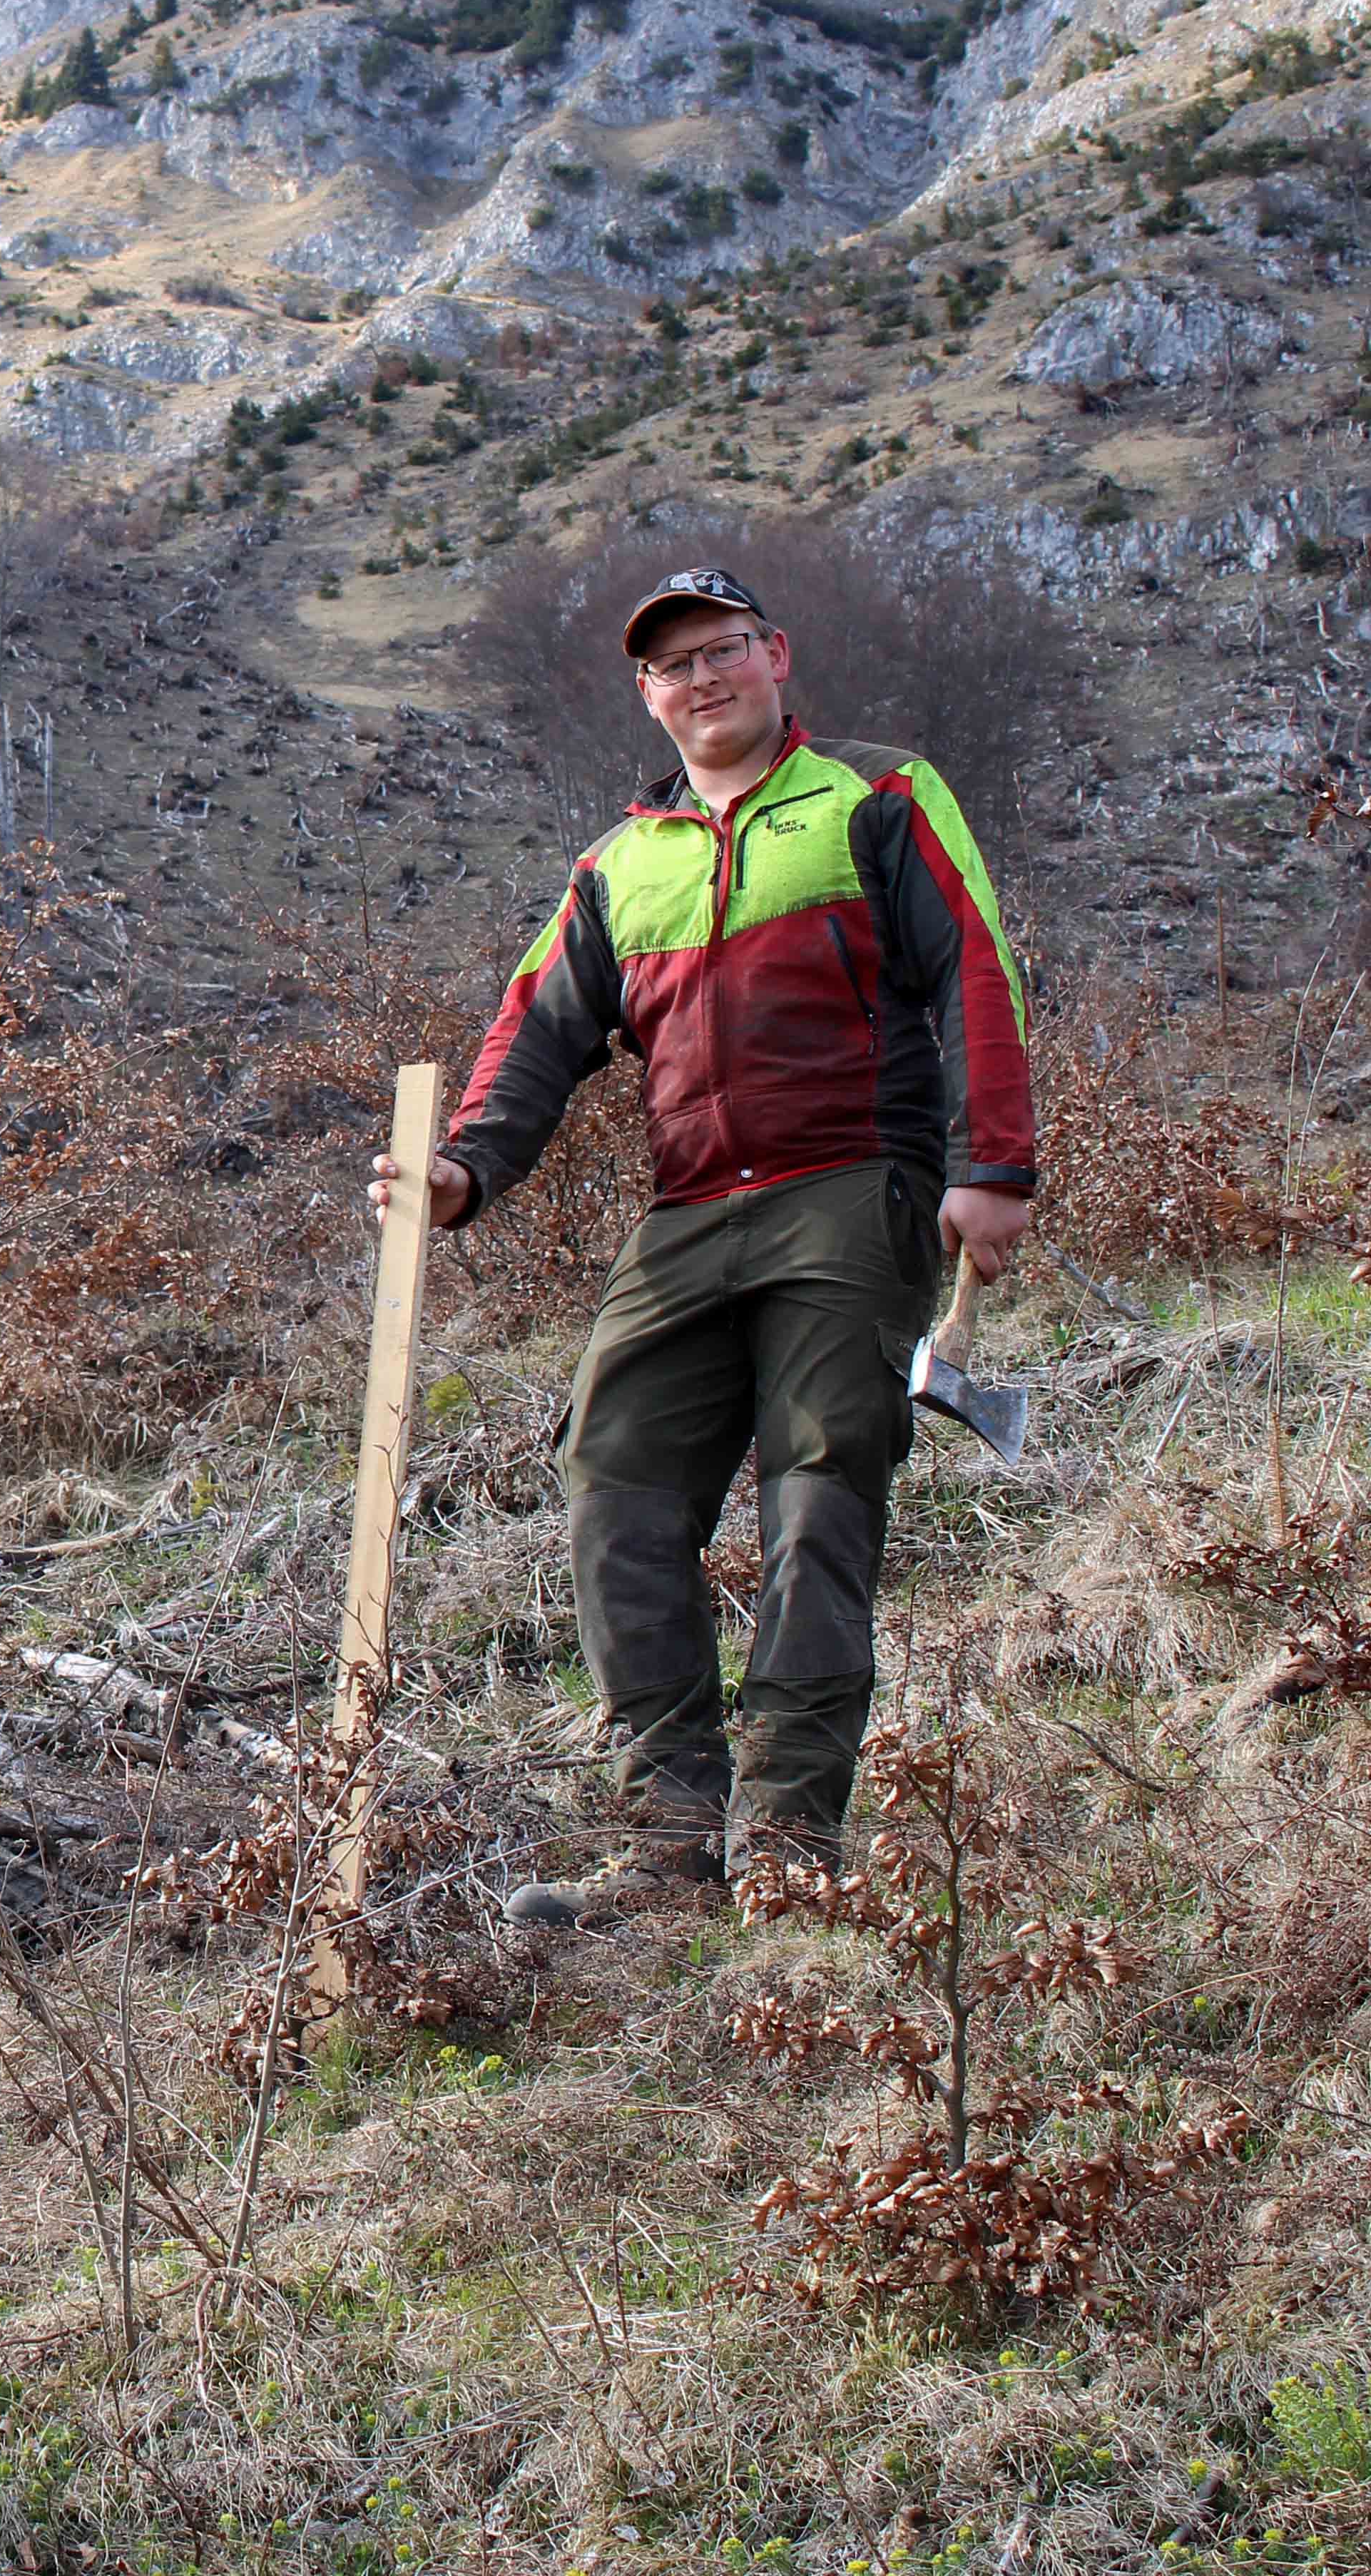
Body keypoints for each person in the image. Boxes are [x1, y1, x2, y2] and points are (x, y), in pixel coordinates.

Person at [372, 566, 1035, 1926]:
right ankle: (665, 1838)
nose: (701, 680)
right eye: (673, 666)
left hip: (855, 1186)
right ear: (647, 695)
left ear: (775, 654)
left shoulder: (875, 797)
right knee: (612, 1476)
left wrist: (993, 1167)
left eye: (723, 651)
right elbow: (538, 1032)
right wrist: (462, 1170)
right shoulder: (623, 863)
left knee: (818, 1487)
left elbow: (976, 965)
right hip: (688, 1210)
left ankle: (787, 1840)